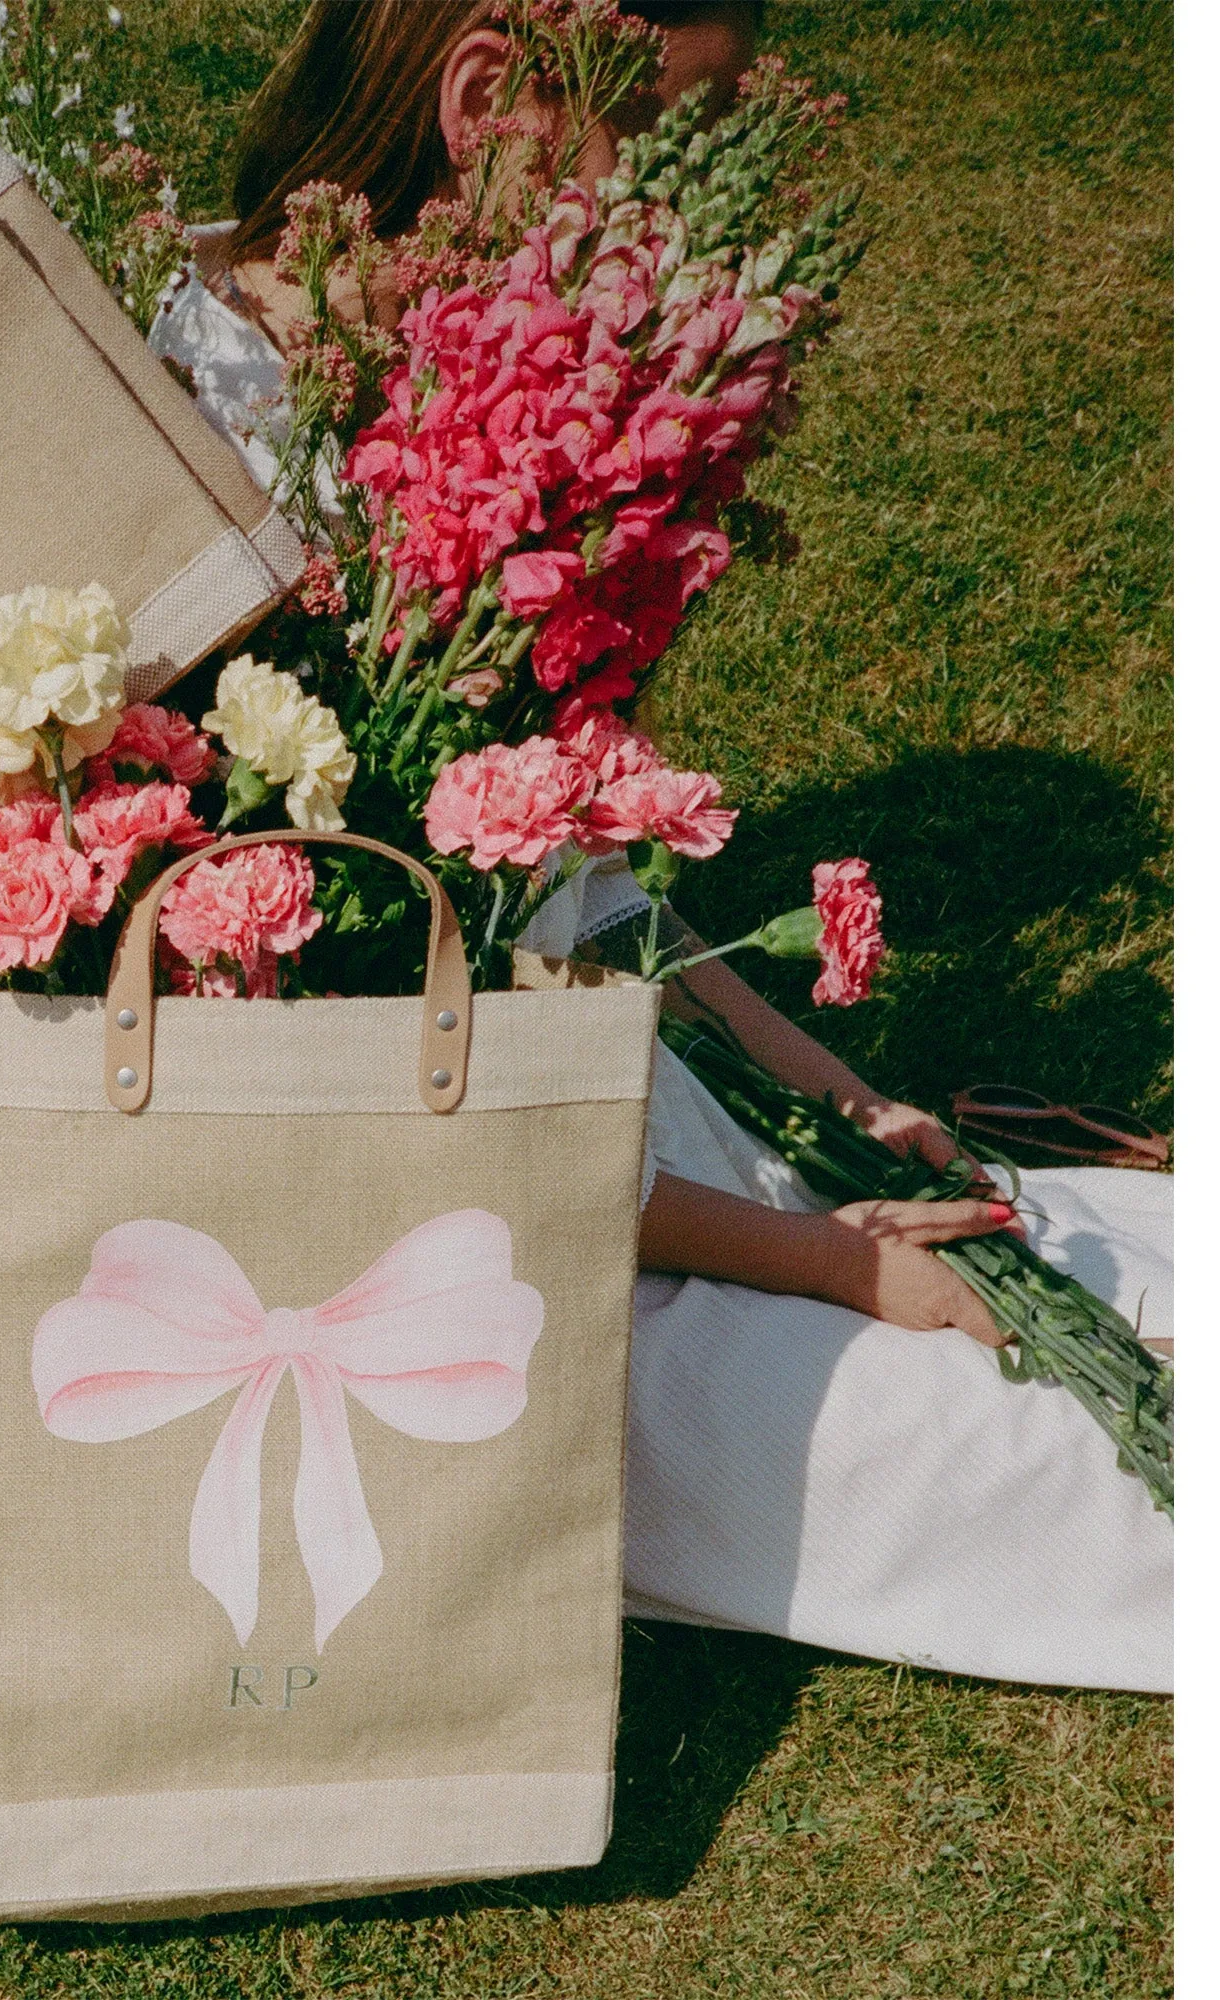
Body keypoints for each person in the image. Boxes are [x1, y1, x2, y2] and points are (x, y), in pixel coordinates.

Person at [150, 0, 1173, 1692]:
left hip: (604, 1138)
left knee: (1073, 1260)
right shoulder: (193, 473)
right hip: (448, 1273)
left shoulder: (418, 376)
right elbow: (369, 1104)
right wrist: (835, 1268)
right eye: (664, 143)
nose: (676, 215)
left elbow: (574, 883)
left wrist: (837, 1100)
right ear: (485, 99)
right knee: (1058, 1474)